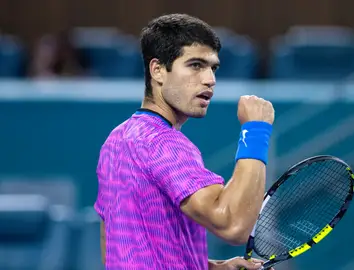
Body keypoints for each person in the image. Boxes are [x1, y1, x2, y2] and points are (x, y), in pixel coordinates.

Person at [94, 14, 275, 270]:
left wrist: (213, 268)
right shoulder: (163, 143)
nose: (210, 79)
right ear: (157, 70)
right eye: (196, 65)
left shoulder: (116, 140)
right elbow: (234, 225)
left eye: (213, 68)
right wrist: (256, 130)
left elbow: (116, 249)